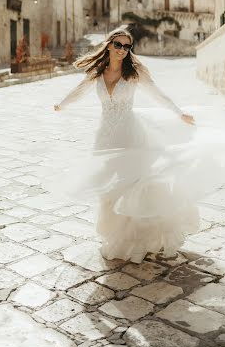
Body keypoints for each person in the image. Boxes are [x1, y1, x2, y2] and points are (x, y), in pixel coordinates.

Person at [52, 28, 204, 264]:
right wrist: (61, 104)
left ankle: (141, 239)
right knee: (110, 188)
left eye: (127, 46)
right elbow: (80, 90)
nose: (123, 50)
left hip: (130, 134)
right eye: (119, 45)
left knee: (133, 185)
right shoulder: (97, 71)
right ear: (109, 45)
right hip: (105, 136)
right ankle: (117, 236)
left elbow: (157, 94)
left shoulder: (135, 71)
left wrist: (179, 113)